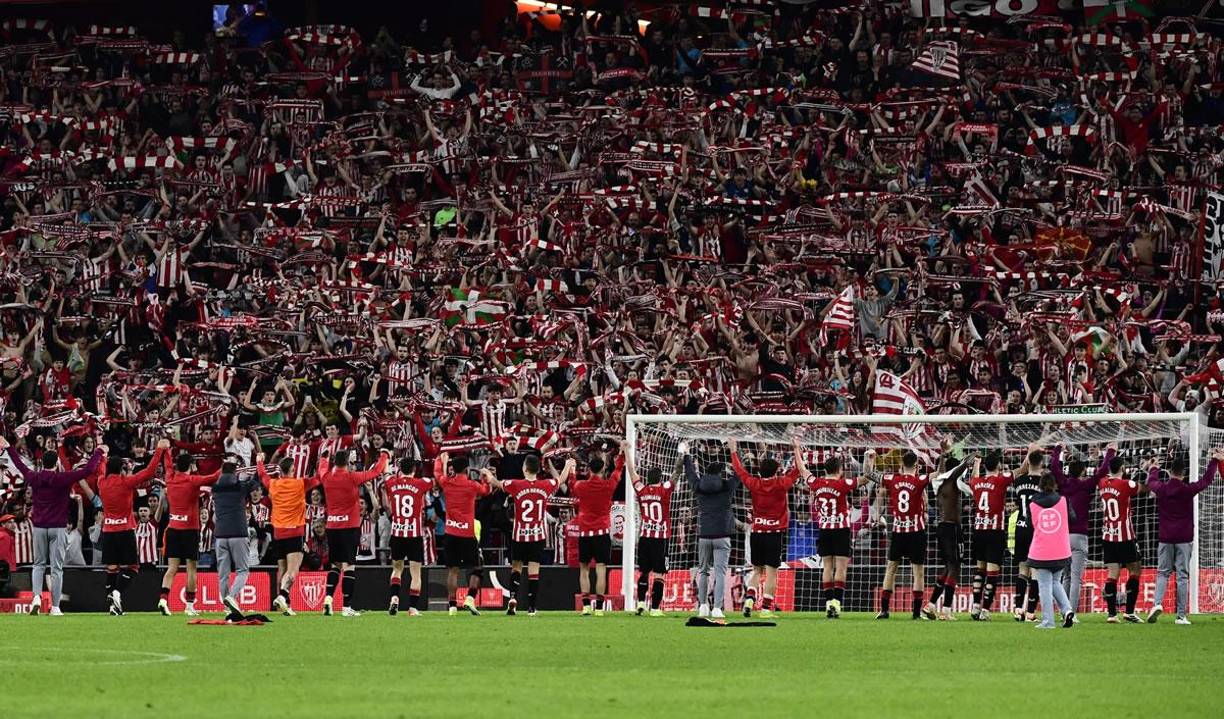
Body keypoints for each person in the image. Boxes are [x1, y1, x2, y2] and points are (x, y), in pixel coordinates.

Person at [0, 437, 101, 615]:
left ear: (43, 464)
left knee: (38, 565)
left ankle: (37, 597)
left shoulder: (34, 477)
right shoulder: (63, 478)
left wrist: (8, 447)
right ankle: (55, 607)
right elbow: (88, 470)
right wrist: (100, 452)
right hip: (58, 528)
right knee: (56, 568)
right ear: (56, 464)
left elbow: (20, 465)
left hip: (39, 528)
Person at [489, 455, 574, 616]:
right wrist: (568, 465)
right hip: (537, 535)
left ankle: (513, 598)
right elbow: (561, 480)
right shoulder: (545, 485)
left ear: (525, 468)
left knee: (516, 567)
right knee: (534, 570)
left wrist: (488, 474)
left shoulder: (516, 484)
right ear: (538, 469)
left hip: (519, 534)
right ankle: (531, 607)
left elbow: (497, 484)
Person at [795, 448, 874, 619]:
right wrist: (870, 460)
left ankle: (828, 603)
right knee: (841, 568)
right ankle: (837, 603)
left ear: (825, 470)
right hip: (841, 530)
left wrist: (796, 449)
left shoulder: (816, 483)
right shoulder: (842, 484)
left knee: (827, 567)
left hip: (824, 530)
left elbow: (802, 469)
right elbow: (866, 478)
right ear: (840, 470)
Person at [1145, 448, 1221, 624]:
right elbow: (1206, 481)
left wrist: (1154, 468)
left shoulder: (1162, 489)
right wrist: (1214, 461)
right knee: (1182, 575)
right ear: (1183, 473)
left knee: (1163, 573)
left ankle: (1157, 604)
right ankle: (1180, 615)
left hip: (1165, 537)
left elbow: (1151, 482)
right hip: (1184, 539)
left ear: (1170, 472)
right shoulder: (1188, 490)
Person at [729, 439, 800, 619]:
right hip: (773, 534)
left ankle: (749, 600)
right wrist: (797, 449)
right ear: (776, 472)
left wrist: (733, 451)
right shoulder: (781, 484)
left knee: (756, 570)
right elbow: (798, 470)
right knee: (771, 573)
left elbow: (740, 471)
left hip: (756, 533)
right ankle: (766, 609)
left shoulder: (754, 484)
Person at [98, 441, 170, 615]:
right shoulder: (127, 482)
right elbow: (149, 471)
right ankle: (117, 593)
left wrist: (102, 452)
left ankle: (112, 606)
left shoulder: (101, 482)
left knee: (112, 568)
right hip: (125, 530)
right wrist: (159, 449)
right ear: (121, 469)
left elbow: (100, 468)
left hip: (108, 531)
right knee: (133, 567)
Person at [320, 448, 389, 617]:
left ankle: (328, 599)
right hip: (349, 528)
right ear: (347, 464)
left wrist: (324, 456)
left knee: (335, 565)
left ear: (334, 462)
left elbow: (322, 466)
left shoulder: (326, 476)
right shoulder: (352, 477)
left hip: (332, 527)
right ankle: (346, 607)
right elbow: (376, 471)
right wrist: (385, 455)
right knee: (349, 566)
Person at [158, 450, 222, 616]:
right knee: (191, 568)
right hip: (189, 530)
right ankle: (189, 606)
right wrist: (226, 466)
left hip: (172, 529)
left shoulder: (170, 478)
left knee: (171, 568)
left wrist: (165, 450)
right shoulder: (192, 480)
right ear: (191, 466)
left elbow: (167, 464)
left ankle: (163, 599)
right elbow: (213, 477)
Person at [256, 452, 321, 616]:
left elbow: (262, 475)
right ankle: (282, 595)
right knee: (293, 571)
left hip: (278, 533)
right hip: (294, 531)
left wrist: (259, 461)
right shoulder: (300, 483)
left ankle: (285, 606)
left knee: (282, 570)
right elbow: (319, 478)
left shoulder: (273, 484)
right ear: (293, 469)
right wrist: (324, 460)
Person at [1049, 442, 1105, 617]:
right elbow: (1102, 472)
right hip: (1079, 536)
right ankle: (1070, 612)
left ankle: (1063, 611)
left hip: (1062, 535)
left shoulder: (1064, 485)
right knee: (1075, 578)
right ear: (1082, 472)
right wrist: (1109, 452)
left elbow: (1054, 466)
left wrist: (1058, 449)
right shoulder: (1086, 485)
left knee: (1065, 577)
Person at [684, 441, 739, 619]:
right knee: (721, 572)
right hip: (722, 534)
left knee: (703, 571)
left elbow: (690, 473)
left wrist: (686, 455)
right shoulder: (726, 486)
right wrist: (733, 451)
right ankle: (717, 607)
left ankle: (702, 606)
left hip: (704, 534)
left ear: (706, 473)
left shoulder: (699, 486)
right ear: (720, 473)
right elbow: (740, 475)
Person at [623, 441, 677, 617]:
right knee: (660, 574)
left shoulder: (642, 489)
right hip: (660, 538)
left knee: (644, 571)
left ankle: (640, 603)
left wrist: (627, 452)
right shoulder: (665, 489)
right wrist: (683, 456)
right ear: (660, 479)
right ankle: (654, 609)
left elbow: (631, 472)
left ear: (647, 478)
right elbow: (676, 474)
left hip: (645, 536)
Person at [434, 452, 491, 616]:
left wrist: (440, 460)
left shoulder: (447, 482)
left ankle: (452, 606)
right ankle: (470, 599)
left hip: (450, 533)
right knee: (478, 568)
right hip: (467, 534)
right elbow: (486, 491)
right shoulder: (472, 485)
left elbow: (437, 473)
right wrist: (484, 477)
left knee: (453, 570)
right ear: (466, 469)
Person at [569, 447, 623, 616]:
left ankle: (585, 606)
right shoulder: (609, 486)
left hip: (585, 534)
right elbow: (619, 469)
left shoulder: (581, 486)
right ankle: (599, 608)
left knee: (584, 570)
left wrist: (571, 470)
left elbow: (571, 484)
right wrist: (621, 453)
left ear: (589, 470)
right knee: (601, 568)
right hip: (601, 534)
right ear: (603, 469)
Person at [1097, 447, 1149, 623]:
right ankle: (1129, 611)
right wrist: (1148, 470)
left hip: (1107, 535)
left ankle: (1111, 614)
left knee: (1112, 573)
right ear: (1123, 469)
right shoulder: (1126, 484)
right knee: (1135, 569)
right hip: (1125, 536)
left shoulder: (1102, 483)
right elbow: (1143, 489)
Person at [878, 450, 931, 620]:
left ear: (901, 465)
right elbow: (938, 475)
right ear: (916, 465)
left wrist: (869, 459)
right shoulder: (919, 480)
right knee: (918, 572)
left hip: (898, 531)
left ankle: (884, 610)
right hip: (916, 532)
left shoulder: (892, 479)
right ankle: (916, 613)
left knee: (891, 569)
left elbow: (870, 475)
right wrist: (943, 456)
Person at [923, 449, 975, 621]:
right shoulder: (951, 481)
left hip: (943, 528)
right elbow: (960, 469)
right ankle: (946, 610)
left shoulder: (941, 483)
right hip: (951, 529)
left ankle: (930, 605)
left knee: (948, 567)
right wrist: (971, 457)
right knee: (955, 566)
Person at [381, 457, 436, 616]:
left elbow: (385, 472)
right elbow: (436, 480)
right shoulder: (420, 483)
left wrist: (386, 456)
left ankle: (394, 598)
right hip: (414, 535)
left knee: (397, 569)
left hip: (397, 534)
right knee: (415, 573)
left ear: (400, 470)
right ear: (414, 470)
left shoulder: (392, 482)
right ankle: (412, 608)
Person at [211, 457, 259, 621]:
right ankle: (232, 597)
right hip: (238, 533)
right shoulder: (239, 487)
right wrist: (250, 473)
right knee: (242, 570)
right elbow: (255, 484)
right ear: (235, 473)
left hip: (220, 536)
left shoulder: (215, 488)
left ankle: (226, 608)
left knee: (223, 573)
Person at [1026, 473, 1076, 629]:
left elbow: (1030, 525)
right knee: (1055, 582)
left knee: (1045, 585)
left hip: (1041, 551)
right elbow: (1073, 518)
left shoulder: (1033, 503)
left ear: (1039, 486)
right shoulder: (1063, 500)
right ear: (1055, 485)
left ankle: (1048, 621)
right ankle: (1067, 610)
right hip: (1061, 549)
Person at [968, 452, 1012, 621]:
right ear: (999, 466)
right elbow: (1021, 470)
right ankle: (985, 610)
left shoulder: (976, 482)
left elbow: (973, 478)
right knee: (992, 572)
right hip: (994, 531)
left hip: (979, 530)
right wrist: (1029, 453)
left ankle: (975, 606)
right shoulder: (1001, 480)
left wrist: (976, 464)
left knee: (980, 569)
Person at [1010, 444, 1046, 622]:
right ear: (1042, 463)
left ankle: (1018, 609)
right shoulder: (1045, 482)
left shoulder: (1018, 481)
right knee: (1037, 571)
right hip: (1037, 529)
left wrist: (1029, 451)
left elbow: (1021, 471)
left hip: (1020, 527)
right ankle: (1031, 611)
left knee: (1022, 570)